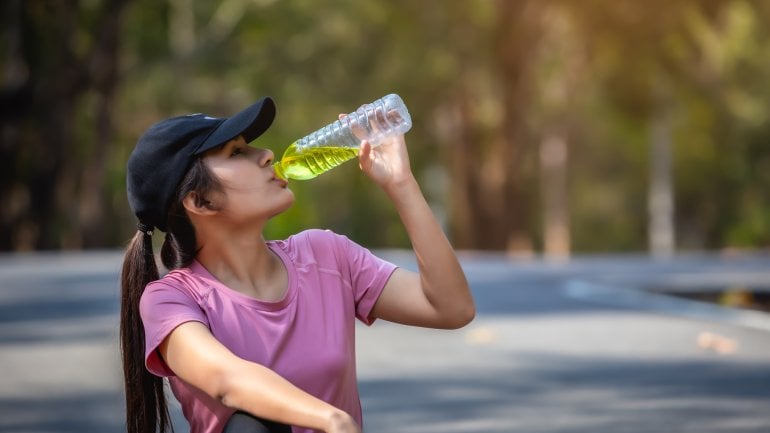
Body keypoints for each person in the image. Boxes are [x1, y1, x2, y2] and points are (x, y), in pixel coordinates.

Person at [119, 96, 475, 433]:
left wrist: (401, 183)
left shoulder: (325, 255)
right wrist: (332, 419)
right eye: (237, 152)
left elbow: (450, 307)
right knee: (249, 425)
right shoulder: (171, 300)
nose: (267, 154)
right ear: (200, 200)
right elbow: (228, 381)